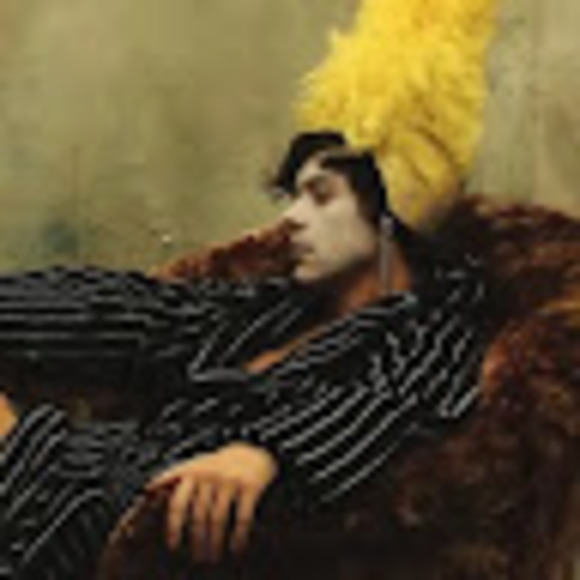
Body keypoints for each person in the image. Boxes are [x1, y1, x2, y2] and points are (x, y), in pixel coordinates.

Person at [0, 131, 489, 579]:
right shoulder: (277, 309)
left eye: (321, 196)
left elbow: (388, 401)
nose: (292, 217)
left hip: (131, 510)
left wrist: (266, 453)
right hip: (87, 467)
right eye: (294, 196)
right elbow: (150, 312)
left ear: (390, 211)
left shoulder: (431, 331)